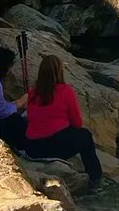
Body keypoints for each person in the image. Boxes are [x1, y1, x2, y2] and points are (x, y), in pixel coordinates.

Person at [25, 55, 102, 190]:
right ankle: (95, 179)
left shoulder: (32, 92)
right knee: (85, 135)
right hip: (53, 146)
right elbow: (77, 123)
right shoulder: (65, 91)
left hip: (33, 147)